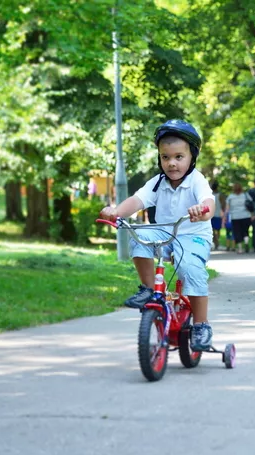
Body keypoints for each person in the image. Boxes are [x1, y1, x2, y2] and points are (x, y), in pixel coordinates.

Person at [99, 119, 216, 350]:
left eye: (178, 157)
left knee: (190, 269)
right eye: (165, 157)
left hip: (193, 235)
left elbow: (208, 202)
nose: (172, 163)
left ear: (192, 157)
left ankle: (201, 325)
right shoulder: (157, 183)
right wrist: (116, 212)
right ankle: (149, 288)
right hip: (164, 232)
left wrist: (201, 211)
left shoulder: (196, 180)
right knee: (139, 238)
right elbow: (137, 200)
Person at [224, 182, 253, 254]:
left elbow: (227, 209)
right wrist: (252, 214)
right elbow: (251, 203)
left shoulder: (230, 197)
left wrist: (225, 217)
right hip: (246, 216)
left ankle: (240, 249)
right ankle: (246, 243)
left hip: (235, 217)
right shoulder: (245, 195)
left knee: (237, 232)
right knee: (245, 231)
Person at [210, 180, 226, 250]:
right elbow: (223, 204)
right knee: (218, 230)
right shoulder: (220, 195)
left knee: (212, 230)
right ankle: (217, 243)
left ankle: (215, 242)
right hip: (217, 214)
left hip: (211, 214)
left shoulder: (209, 194)